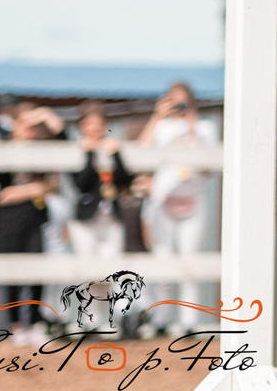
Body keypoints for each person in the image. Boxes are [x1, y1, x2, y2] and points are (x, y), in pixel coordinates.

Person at [136, 82, 215, 332]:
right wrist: (157, 116)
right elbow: (141, 152)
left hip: (193, 203)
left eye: (184, 102)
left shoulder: (205, 128)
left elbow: (208, 166)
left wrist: (192, 125)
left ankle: (189, 323)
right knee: (163, 262)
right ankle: (160, 320)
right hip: (162, 203)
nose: (179, 106)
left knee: (189, 264)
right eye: (175, 101)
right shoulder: (161, 127)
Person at [0, 105, 61, 341]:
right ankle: (16, 325)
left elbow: (62, 140)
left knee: (37, 269)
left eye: (34, 126)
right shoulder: (4, 148)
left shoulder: (42, 150)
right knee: (13, 269)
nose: (31, 130)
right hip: (8, 217)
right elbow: (0, 191)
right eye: (26, 124)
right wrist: (31, 189)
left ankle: (34, 321)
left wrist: (46, 114)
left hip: (35, 214)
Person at [67, 105, 137, 264]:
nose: (94, 129)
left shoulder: (112, 147)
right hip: (87, 216)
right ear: (82, 126)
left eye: (99, 124)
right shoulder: (77, 149)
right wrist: (90, 154)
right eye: (90, 124)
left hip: (111, 215)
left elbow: (125, 181)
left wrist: (116, 155)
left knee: (112, 269)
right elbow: (80, 184)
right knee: (88, 270)